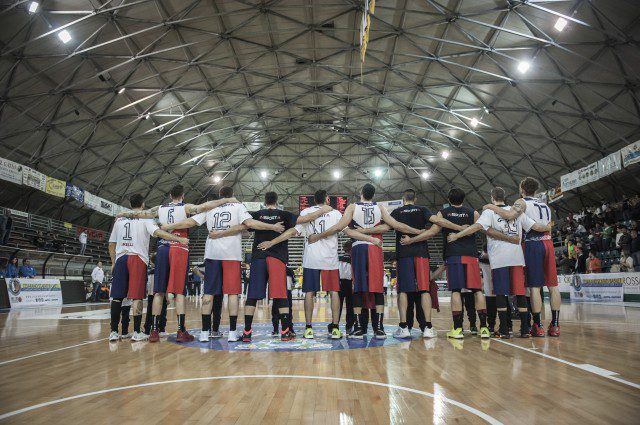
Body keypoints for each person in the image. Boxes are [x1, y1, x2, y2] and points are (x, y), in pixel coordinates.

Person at [161, 186, 286, 343]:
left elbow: (190, 222)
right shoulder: (238, 206)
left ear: (220, 196)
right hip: (231, 254)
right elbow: (250, 223)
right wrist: (272, 226)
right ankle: (233, 332)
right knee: (232, 293)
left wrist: (168, 227)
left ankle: (205, 332)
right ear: (232, 195)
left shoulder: (211, 207)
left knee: (209, 293)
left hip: (212, 253)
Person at [119, 185, 239, 344]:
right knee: (179, 292)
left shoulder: (160, 208)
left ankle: (154, 331)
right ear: (182, 195)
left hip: (162, 248)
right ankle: (181, 331)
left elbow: (142, 214)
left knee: (158, 292)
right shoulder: (186, 207)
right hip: (179, 248)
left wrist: (123, 213)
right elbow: (204, 207)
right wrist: (226, 200)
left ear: (169, 195)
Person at [308, 183, 428, 339]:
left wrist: (318, 236)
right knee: (378, 287)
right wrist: (417, 231)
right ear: (373, 195)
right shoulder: (379, 208)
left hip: (358, 247)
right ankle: (379, 328)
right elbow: (397, 225)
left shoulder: (352, 207)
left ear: (361, 193)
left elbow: (339, 227)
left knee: (357, 287)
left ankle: (358, 328)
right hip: (375, 248)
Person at [257, 189, 380, 340]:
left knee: (309, 293)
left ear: (314, 200)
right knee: (334, 292)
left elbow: (292, 232)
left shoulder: (306, 212)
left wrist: (272, 242)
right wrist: (371, 239)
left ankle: (308, 328)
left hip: (311, 258)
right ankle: (335, 328)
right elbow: (350, 233)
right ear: (327, 199)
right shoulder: (335, 213)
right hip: (330, 259)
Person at [402, 187, 518, 340]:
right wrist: (506, 237)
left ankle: (457, 329)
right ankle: (483, 328)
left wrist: (413, 239)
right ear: (463, 199)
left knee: (456, 291)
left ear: (449, 199)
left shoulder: (442, 214)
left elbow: (432, 232)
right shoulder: (473, 213)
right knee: (477, 290)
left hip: (454, 255)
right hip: (471, 255)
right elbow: (483, 229)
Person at [358, 188, 466, 339]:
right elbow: (438, 223)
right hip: (422, 254)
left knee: (403, 291)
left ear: (403, 199)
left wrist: (363, 231)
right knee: (424, 290)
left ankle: (403, 327)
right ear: (415, 199)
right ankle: (428, 327)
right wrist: (459, 227)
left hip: (404, 255)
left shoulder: (397, 211)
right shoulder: (423, 209)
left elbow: (385, 227)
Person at [447, 187, 551, 338]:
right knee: (520, 293)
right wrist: (548, 227)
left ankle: (503, 329)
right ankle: (524, 329)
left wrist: (457, 236)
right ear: (505, 197)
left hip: (499, 258)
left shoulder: (489, 212)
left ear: (492, 198)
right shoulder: (516, 211)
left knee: (501, 293)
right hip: (517, 257)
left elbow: (476, 227)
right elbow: (534, 226)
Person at [483, 177, 562, 337]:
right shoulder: (545, 205)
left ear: (522, 188)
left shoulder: (521, 202)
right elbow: (548, 227)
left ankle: (538, 325)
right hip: (548, 242)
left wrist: (491, 206)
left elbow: (509, 216)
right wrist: (547, 228)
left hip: (533, 243)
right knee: (553, 286)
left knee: (533, 287)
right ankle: (555, 325)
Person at [107, 193, 188, 342]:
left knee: (117, 297)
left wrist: (113, 262)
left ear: (130, 204)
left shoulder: (119, 220)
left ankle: (113, 331)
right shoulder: (146, 218)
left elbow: (111, 244)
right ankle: (137, 331)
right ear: (143, 204)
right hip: (137, 258)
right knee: (136, 296)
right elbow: (158, 232)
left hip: (120, 258)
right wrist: (178, 238)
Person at [240, 191, 313, 342]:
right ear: (277, 201)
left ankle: (247, 332)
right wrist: (323, 210)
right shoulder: (284, 214)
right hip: (277, 257)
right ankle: (285, 331)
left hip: (258, 256)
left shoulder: (257, 214)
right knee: (280, 294)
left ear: (264, 202)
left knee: (252, 296)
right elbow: (305, 219)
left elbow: (244, 228)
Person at [338, 241, 355, 333]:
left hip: (339, 283)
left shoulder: (338, 258)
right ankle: (349, 327)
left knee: (337, 306)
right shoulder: (353, 259)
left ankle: (335, 325)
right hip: (350, 283)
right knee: (350, 306)